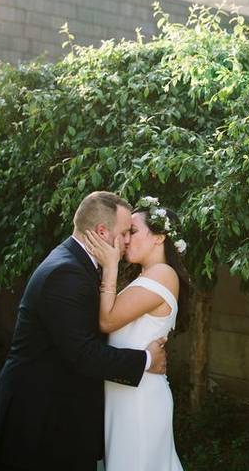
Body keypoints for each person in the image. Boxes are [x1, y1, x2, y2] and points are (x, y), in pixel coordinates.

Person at [0, 191, 168, 471]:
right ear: (102, 231)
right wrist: (148, 359)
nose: (128, 240)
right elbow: (83, 354)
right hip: (38, 426)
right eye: (125, 232)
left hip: (59, 423)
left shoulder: (77, 265)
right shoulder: (65, 273)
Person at [84, 195, 190, 471]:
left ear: (159, 237)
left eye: (132, 231)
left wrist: (110, 266)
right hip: (124, 392)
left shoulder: (163, 274)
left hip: (140, 399)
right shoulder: (146, 276)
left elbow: (107, 321)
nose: (125, 239)